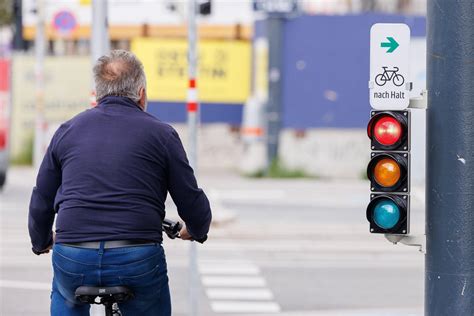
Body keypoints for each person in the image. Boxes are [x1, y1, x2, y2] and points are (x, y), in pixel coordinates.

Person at [28, 50, 212, 316]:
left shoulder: (67, 131)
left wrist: (41, 240)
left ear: (97, 94)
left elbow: (42, 198)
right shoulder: (162, 134)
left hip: (74, 255)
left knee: (65, 293)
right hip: (136, 257)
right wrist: (195, 229)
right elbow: (189, 196)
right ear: (142, 93)